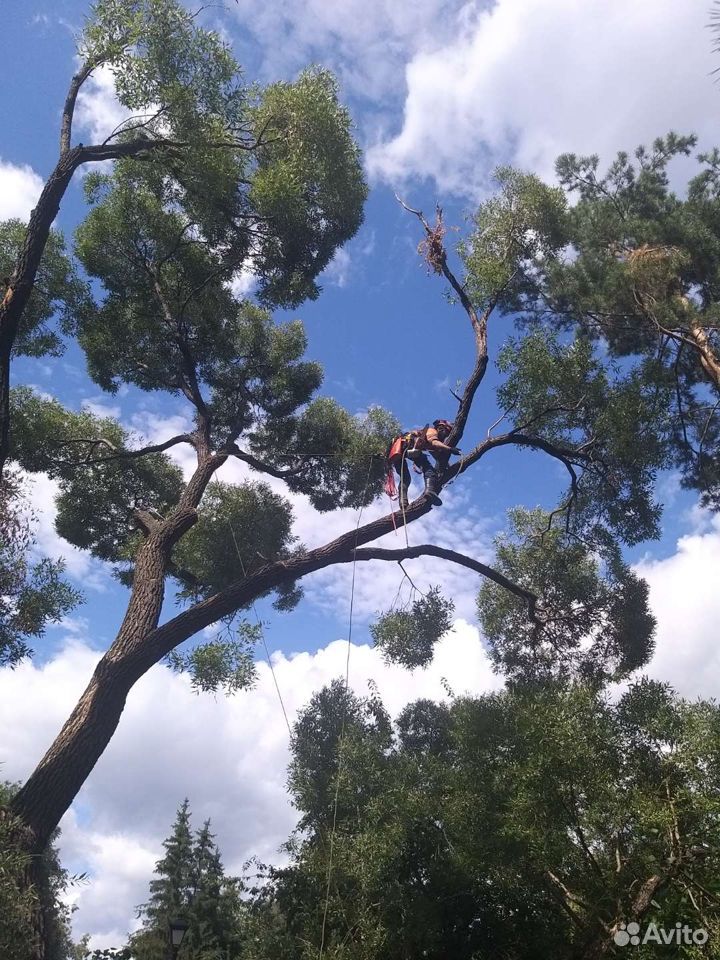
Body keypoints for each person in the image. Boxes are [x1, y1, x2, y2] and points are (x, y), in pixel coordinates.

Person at [386, 419, 461, 508]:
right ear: (441, 429)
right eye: (446, 432)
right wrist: (450, 449)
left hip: (398, 451)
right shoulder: (432, 431)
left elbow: (437, 455)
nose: (445, 436)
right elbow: (434, 442)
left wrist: (450, 466)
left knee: (406, 478)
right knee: (429, 470)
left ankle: (403, 503)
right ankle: (429, 491)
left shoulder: (429, 441)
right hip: (408, 446)